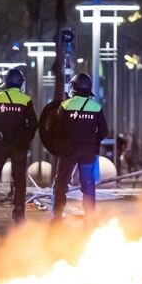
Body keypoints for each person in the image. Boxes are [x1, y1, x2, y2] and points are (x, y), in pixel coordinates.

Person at [0, 68, 38, 227]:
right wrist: (24, 140)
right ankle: (19, 216)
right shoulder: (25, 100)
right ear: (20, 83)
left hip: (0, 146)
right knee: (19, 182)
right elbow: (33, 124)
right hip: (19, 147)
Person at [51, 73, 108, 224]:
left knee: (61, 182)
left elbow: (55, 128)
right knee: (88, 184)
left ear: (74, 87)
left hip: (68, 152)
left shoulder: (66, 105)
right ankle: (90, 216)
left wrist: (61, 144)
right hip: (88, 152)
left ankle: (57, 215)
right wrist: (93, 142)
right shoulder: (96, 107)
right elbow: (103, 131)